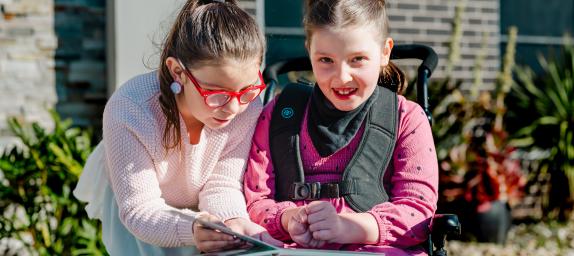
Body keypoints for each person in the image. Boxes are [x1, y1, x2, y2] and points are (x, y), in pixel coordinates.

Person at [73, 0, 281, 255]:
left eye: (247, 90)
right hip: (140, 207)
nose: (233, 108)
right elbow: (140, 209)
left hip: (201, 213)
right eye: (216, 93)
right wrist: (193, 227)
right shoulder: (130, 108)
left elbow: (222, 183)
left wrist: (231, 222)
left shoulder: (247, 109)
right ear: (177, 72)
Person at [243, 0, 438, 255]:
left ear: (384, 52)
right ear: (309, 51)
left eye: (357, 59)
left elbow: (416, 209)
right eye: (326, 60)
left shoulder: (406, 118)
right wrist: (288, 219)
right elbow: (255, 200)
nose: (342, 76)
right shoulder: (278, 116)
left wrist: (349, 227)